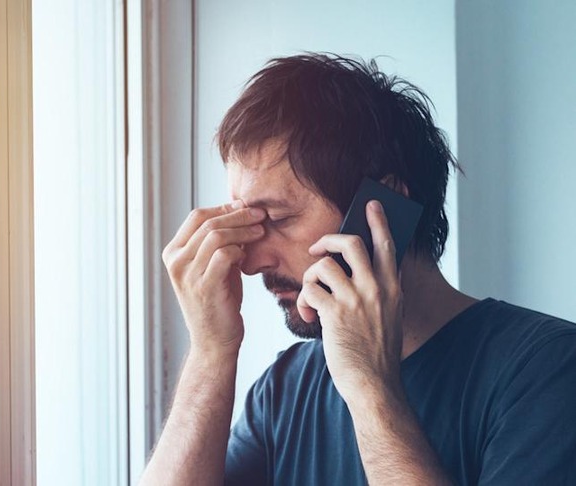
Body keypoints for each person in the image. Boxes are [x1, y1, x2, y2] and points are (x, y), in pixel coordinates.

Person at [139, 53, 576, 485]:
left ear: (378, 210)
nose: (251, 263)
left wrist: (370, 387)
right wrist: (210, 351)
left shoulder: (549, 371)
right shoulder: (283, 389)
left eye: (278, 219)